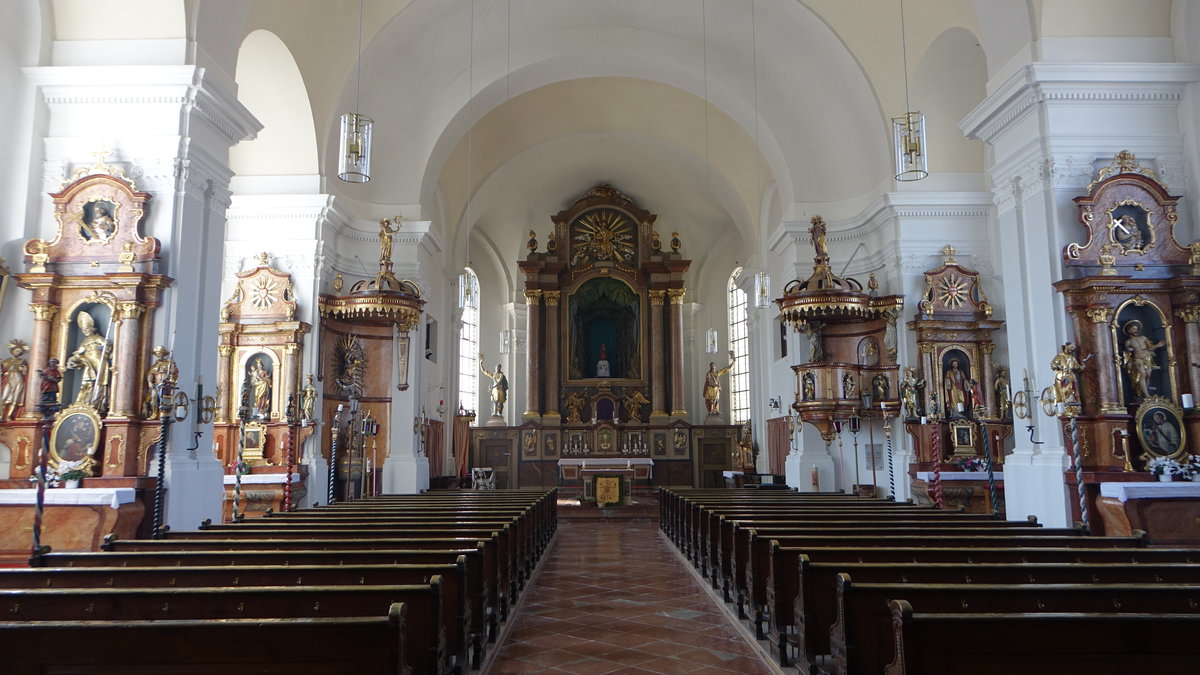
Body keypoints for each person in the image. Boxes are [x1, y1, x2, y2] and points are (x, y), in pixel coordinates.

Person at [66, 310, 110, 409]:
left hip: (99, 361)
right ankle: (84, 403)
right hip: (88, 363)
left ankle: (97, 403)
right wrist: (72, 359)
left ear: (92, 329)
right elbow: (79, 352)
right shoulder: (85, 341)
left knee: (99, 381)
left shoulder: (98, 338)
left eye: (86, 329)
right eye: (83, 329)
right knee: (87, 382)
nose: (84, 331)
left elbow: (107, 346)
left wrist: (104, 347)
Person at [1123, 320, 1164, 399]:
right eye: (1132, 329)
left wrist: (1158, 345)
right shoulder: (1128, 342)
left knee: (1148, 374)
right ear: (1128, 331)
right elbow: (1128, 353)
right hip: (1138, 359)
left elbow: (1150, 347)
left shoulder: (1143, 338)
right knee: (1142, 374)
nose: (1135, 331)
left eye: (1135, 329)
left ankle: (1144, 391)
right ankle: (1147, 395)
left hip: (1147, 357)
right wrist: (1129, 353)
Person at [143, 345, 179, 418]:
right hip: (156, 384)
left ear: (163, 354)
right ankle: (154, 414)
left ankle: (162, 414)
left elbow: (174, 372)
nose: (158, 355)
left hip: (165, 385)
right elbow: (151, 374)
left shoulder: (168, 364)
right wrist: (150, 382)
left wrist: (173, 364)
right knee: (153, 397)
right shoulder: (154, 365)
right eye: (157, 353)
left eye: (160, 353)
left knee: (163, 400)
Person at [0, 340, 28, 421]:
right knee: (4, 397)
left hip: (18, 379)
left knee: (15, 398)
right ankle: (1, 416)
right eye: (17, 350)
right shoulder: (6, 361)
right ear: (12, 351)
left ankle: (9, 415)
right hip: (8, 380)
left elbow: (25, 372)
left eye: (20, 351)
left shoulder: (22, 361)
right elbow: (2, 371)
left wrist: (24, 369)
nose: (18, 352)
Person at [702, 351, 735, 416]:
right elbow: (708, 381)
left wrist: (733, 361)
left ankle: (716, 410)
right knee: (711, 400)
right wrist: (715, 384)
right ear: (710, 366)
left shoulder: (717, 373)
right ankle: (711, 411)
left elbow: (726, 369)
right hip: (711, 389)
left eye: (714, 365)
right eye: (712, 365)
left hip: (716, 389)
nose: (713, 366)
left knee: (716, 400)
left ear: (715, 366)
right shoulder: (708, 374)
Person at [1051, 342, 1083, 407]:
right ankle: (1063, 404)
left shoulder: (1072, 358)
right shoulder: (1059, 356)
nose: (1072, 349)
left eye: (1073, 348)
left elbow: (1076, 366)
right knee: (1063, 391)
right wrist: (1058, 366)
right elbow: (1053, 365)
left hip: (1070, 376)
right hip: (1062, 376)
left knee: (1072, 389)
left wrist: (1081, 367)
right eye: (1071, 347)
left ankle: (1072, 402)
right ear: (1066, 347)